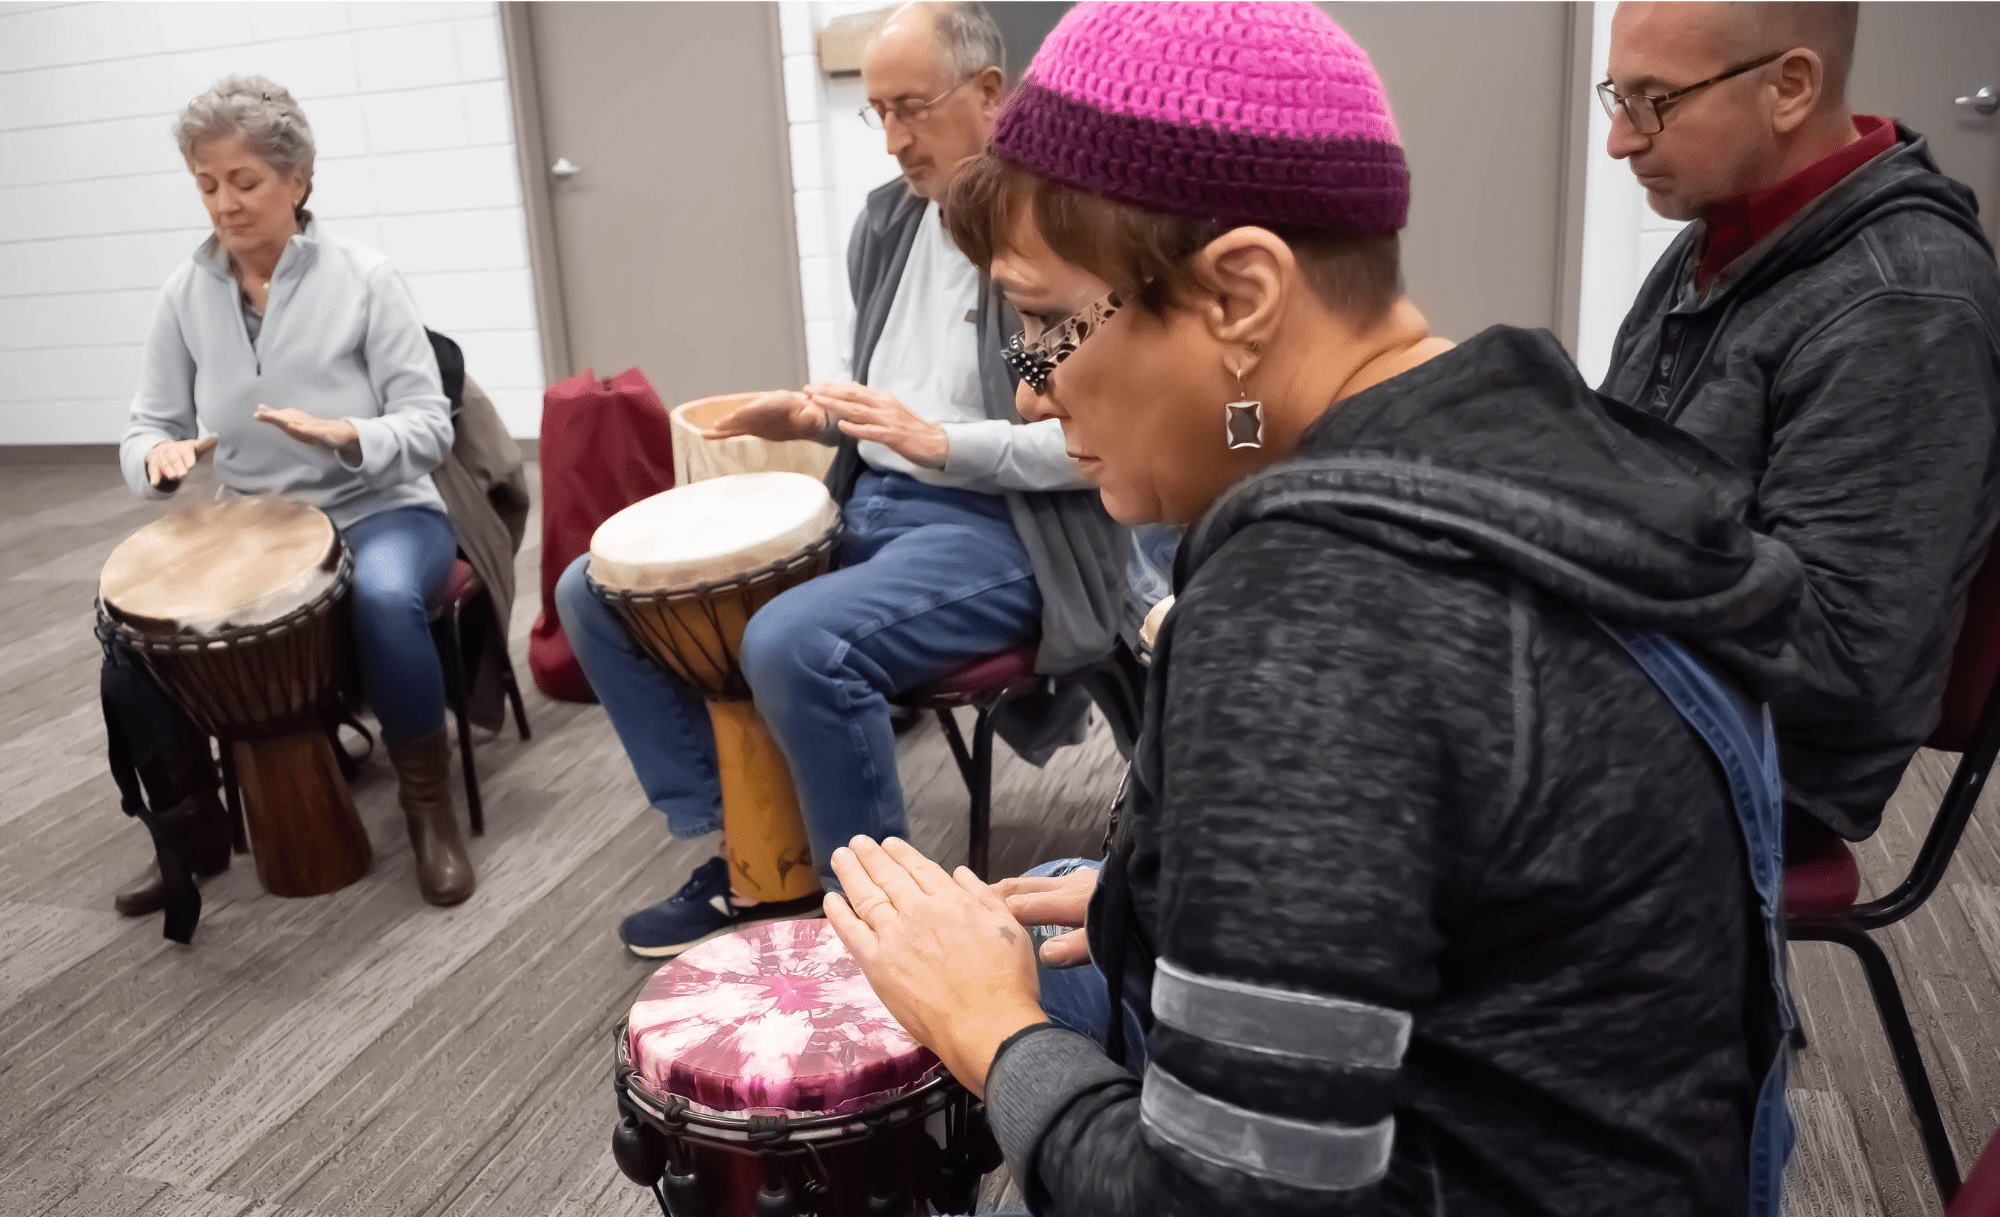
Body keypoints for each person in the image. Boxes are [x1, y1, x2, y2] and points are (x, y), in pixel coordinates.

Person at [821, 2, 1805, 1213]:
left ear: (1240, 293)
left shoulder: (1317, 614)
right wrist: (1160, 887)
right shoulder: (1529, 430)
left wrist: (992, 1034)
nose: (1027, 397)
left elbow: (1209, 1203)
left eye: (1040, 323)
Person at [555, 1, 1124, 958]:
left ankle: (879, 918)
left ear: (990, 95)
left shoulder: (1049, 239)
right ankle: (749, 853)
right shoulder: (887, 225)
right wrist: (816, 414)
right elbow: (896, 391)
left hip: (1003, 529)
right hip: (877, 498)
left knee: (791, 641)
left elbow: (1080, 438)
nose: (895, 139)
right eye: (880, 113)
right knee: (595, 587)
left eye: (914, 108)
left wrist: (944, 444)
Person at [1599, 2, 2000, 843]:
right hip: (1651, 679)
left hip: (1760, 762)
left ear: (1788, 87)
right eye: (1619, 97)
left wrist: (1583, 545)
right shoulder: (1725, 230)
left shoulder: (1904, 307)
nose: (1622, 140)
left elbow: (1845, 659)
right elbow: (1618, 464)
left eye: (1655, 101)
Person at [118, 76, 474, 909]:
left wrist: (349, 434)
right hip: (255, 524)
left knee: (385, 599)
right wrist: (159, 458)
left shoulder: (365, 277)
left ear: (298, 180)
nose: (225, 204)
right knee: (134, 631)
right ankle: (195, 832)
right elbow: (144, 427)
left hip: (381, 508)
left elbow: (430, 426)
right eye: (207, 185)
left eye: (244, 182)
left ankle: (430, 811)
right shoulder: (184, 292)